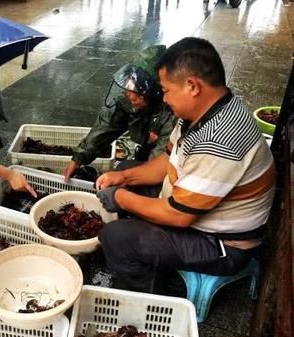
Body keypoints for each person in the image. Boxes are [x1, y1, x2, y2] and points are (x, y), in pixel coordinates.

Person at [95, 37, 275, 293]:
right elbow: (168, 162)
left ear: (192, 86)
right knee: (124, 170)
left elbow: (177, 216)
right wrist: (122, 180)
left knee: (116, 238)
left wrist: (121, 198)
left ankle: (148, 302)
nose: (164, 98)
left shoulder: (218, 140)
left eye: (166, 90)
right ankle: (146, 254)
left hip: (223, 245)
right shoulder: (201, 112)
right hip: (194, 210)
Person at [63, 45, 176, 181]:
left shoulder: (172, 113)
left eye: (140, 90)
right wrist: (78, 158)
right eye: (130, 86)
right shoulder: (127, 99)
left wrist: (126, 179)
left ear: (156, 91)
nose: (131, 96)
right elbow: (105, 127)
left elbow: (159, 165)